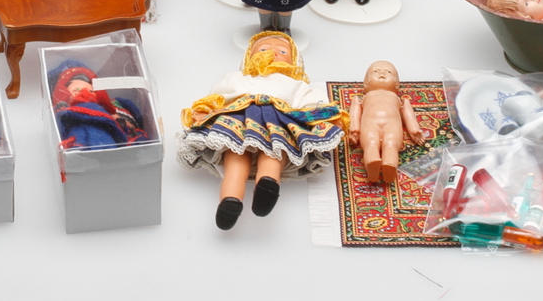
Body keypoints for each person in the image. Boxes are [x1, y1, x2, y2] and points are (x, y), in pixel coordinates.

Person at [178, 32, 346, 230]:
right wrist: (203, 110)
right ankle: (230, 200)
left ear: (294, 61)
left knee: (276, 151)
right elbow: (217, 97)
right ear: (249, 57)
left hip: (278, 120)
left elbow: (312, 102)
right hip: (239, 118)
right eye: (263, 49)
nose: (273, 53)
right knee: (235, 154)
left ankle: (268, 185)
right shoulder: (237, 78)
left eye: (282, 52)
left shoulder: (296, 84)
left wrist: (330, 118)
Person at [347, 60, 425, 183]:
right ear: (366, 83)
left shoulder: (399, 99)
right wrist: (354, 128)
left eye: (388, 72)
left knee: (391, 144)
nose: (382, 74)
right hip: (370, 124)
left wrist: (414, 129)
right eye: (376, 71)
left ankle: (389, 166)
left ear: (397, 84)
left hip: (392, 125)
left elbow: (408, 113)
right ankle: (372, 165)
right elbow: (354, 112)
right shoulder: (362, 98)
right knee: (371, 143)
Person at [48, 61, 147, 150]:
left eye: (90, 90)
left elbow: (134, 120)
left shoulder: (113, 105)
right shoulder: (65, 110)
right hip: (83, 137)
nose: (84, 92)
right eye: (76, 90)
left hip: (114, 136)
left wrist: (121, 122)